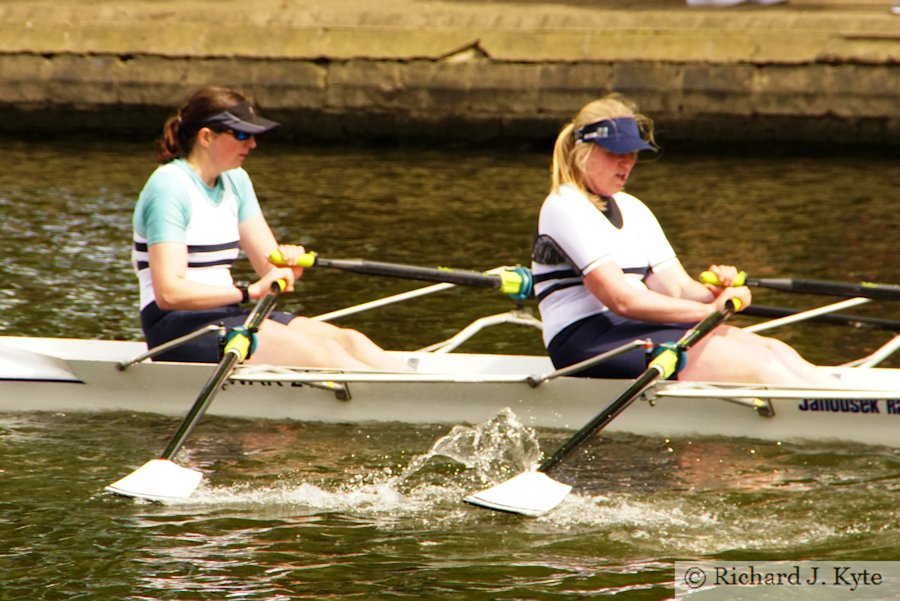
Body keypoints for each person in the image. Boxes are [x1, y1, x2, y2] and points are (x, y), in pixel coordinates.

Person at [531, 93, 838, 388]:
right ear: (583, 151)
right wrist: (709, 312)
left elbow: (678, 288)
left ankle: (843, 401)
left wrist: (715, 292)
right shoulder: (564, 205)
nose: (626, 164)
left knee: (772, 350)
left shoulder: (633, 208)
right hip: (584, 340)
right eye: (615, 154)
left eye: (632, 153)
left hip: (631, 329)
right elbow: (622, 300)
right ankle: (832, 426)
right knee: (759, 366)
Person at [133, 86, 407, 371]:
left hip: (227, 314)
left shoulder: (235, 181)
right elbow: (170, 293)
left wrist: (287, 264)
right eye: (241, 135)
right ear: (206, 137)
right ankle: (406, 407)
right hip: (177, 326)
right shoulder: (169, 186)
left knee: (350, 341)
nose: (252, 144)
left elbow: (273, 271)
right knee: (323, 353)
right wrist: (248, 292)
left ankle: (424, 395)